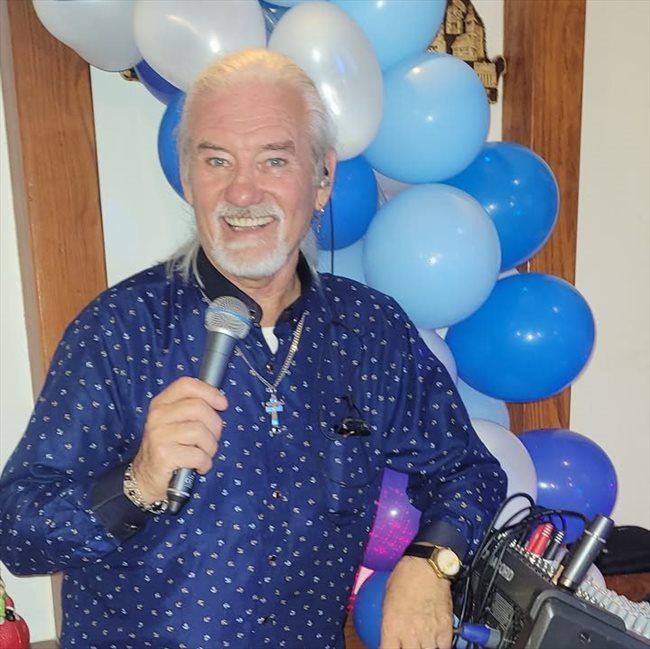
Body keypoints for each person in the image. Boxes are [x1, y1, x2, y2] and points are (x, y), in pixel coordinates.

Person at [0, 48, 506, 649]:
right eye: (217, 160)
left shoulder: (371, 332)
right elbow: (19, 531)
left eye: (274, 159)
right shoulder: (118, 331)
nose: (242, 192)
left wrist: (431, 565)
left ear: (322, 178)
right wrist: (136, 484)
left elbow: (469, 471)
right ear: (188, 178)